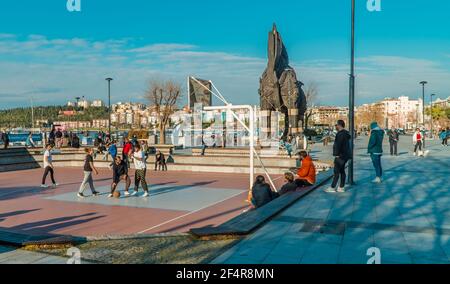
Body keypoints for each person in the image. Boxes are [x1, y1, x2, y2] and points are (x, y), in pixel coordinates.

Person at [325, 120, 351, 193]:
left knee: (336, 172)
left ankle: (333, 187)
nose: (335, 126)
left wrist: (336, 154)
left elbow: (338, 145)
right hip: (345, 155)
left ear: (339, 125)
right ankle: (341, 187)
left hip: (340, 156)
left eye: (336, 125)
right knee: (342, 171)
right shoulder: (346, 133)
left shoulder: (340, 134)